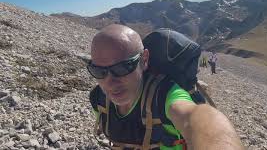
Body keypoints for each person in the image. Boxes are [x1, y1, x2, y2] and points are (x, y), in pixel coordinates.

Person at [87, 24, 243, 150]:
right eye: (98, 71)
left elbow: (196, 117)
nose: (109, 82)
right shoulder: (98, 99)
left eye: (122, 68)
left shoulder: (164, 95)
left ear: (144, 60)